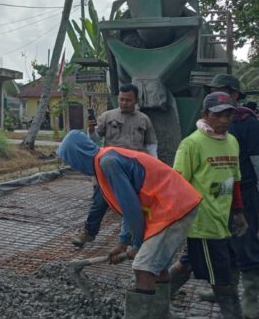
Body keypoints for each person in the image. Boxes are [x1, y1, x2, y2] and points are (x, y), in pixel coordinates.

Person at [57, 130, 202, 319]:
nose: (73, 166)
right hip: (174, 204)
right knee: (156, 268)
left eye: (71, 160)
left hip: (172, 206)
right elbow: (128, 207)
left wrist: (138, 244)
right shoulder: (105, 161)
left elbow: (132, 208)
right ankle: (161, 314)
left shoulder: (108, 163)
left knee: (143, 267)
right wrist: (123, 242)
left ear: (78, 155)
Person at [167, 91, 248, 319]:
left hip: (224, 220)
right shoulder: (192, 144)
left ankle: (156, 300)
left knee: (189, 263)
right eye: (218, 115)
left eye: (229, 115)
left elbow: (235, 180)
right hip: (203, 223)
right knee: (222, 279)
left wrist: (239, 212)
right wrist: (176, 221)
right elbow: (178, 184)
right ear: (205, 114)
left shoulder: (232, 142)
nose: (224, 120)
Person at [72, 83, 158, 248]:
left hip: (133, 169)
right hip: (109, 168)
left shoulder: (144, 120)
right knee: (99, 201)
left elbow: (151, 145)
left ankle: (129, 241)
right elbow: (95, 139)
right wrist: (91, 131)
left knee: (131, 204)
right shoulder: (107, 116)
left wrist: (152, 168)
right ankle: (88, 233)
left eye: (128, 100)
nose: (124, 103)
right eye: (121, 99)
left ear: (136, 100)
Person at [205, 75, 259, 316]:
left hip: (244, 190)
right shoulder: (209, 124)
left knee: (246, 243)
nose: (218, 97)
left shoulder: (247, 122)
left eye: (222, 92)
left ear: (235, 95)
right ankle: (226, 288)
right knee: (224, 242)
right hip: (219, 190)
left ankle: (251, 298)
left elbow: (257, 160)